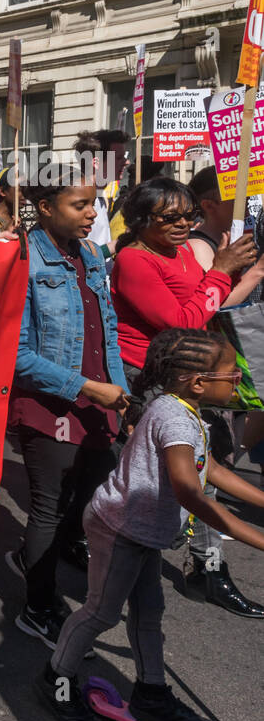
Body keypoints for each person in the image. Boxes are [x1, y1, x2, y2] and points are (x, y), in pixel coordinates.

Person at [40, 328, 264, 721]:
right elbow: (192, 494)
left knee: (148, 614)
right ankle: (57, 681)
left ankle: (151, 693)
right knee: (100, 612)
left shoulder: (184, 408)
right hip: (120, 528)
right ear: (198, 381)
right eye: (233, 375)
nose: (238, 382)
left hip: (144, 531)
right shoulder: (175, 419)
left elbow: (210, 468)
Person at [110, 178, 264, 616]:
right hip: (150, 378)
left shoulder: (178, 254)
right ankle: (115, 556)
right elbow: (181, 324)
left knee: (204, 464)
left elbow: (210, 308)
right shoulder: (133, 259)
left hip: (191, 377)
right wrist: (219, 267)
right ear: (142, 220)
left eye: (189, 215)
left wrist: (249, 272)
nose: (183, 224)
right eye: (170, 217)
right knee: (162, 475)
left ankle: (206, 569)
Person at [6, 164, 129, 647]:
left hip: (98, 403)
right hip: (49, 406)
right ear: (45, 208)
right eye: (80, 204)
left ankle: (35, 561)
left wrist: (118, 396)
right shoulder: (22, 259)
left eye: (94, 203)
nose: (91, 213)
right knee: (48, 511)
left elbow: (109, 335)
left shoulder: (93, 254)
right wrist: (86, 387)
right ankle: (36, 607)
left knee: (91, 501)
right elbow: (17, 356)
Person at [187, 166, 264, 306]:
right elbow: (212, 304)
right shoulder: (198, 246)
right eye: (238, 197)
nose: (246, 201)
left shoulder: (231, 239)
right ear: (209, 206)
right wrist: (259, 269)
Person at [74, 129, 131, 254]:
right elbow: (81, 255)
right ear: (96, 163)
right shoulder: (78, 201)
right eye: (119, 158)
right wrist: (121, 242)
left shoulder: (100, 196)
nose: (127, 162)